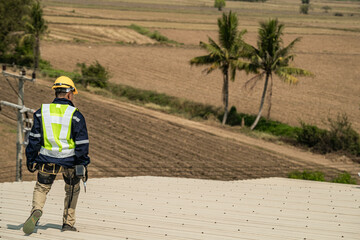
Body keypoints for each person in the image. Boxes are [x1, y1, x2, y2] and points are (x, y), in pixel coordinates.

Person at [23, 76, 90, 234]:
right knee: (72, 189)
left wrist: (31, 160)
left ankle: (36, 211)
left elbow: (33, 140)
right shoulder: (76, 115)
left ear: (56, 92)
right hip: (70, 162)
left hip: (46, 160)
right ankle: (68, 223)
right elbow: (82, 145)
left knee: (42, 187)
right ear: (69, 94)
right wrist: (83, 164)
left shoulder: (41, 113)